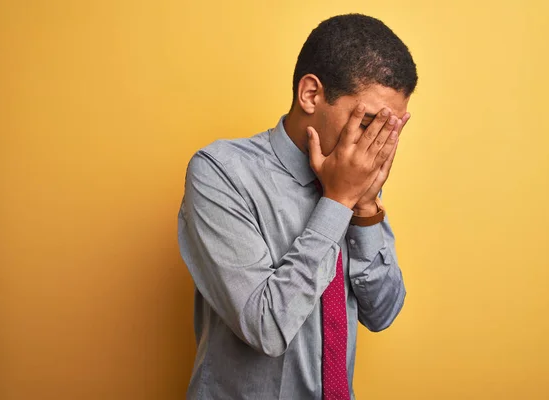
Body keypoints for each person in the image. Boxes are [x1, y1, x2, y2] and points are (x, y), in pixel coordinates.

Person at [178, 13, 418, 400]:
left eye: (388, 129)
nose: (375, 143)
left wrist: (366, 208)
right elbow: (266, 329)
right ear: (311, 94)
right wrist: (337, 201)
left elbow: (383, 313)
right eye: (369, 121)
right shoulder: (221, 172)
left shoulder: (352, 176)